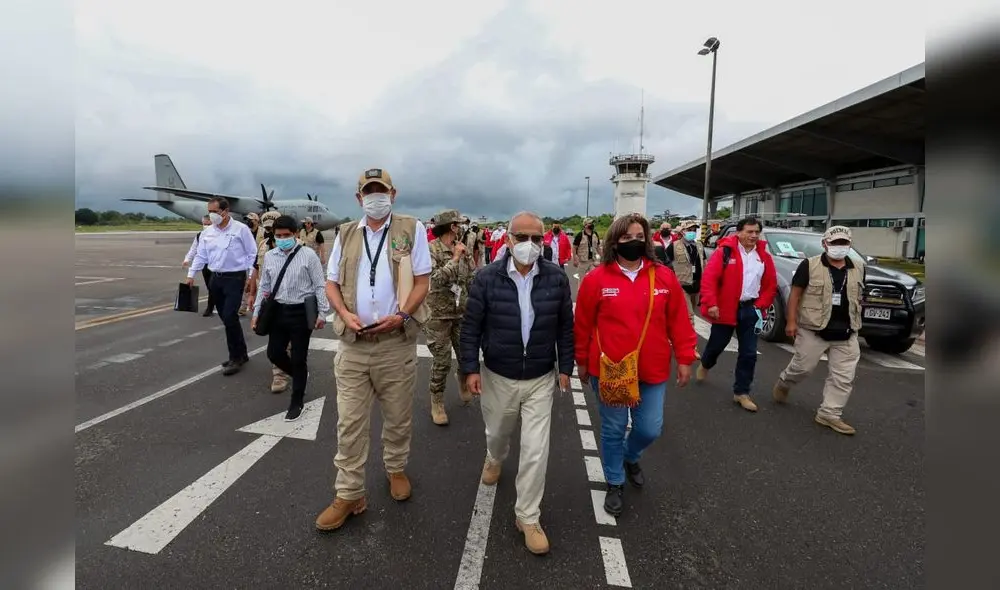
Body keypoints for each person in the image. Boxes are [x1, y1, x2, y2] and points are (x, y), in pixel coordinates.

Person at [316, 167, 431, 531]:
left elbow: (423, 281)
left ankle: (395, 467)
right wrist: (345, 313)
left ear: (393, 195)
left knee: (398, 417)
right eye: (369, 192)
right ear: (358, 198)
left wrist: (402, 315)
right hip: (353, 344)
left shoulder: (412, 229)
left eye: (381, 191)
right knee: (349, 422)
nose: (375, 197)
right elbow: (331, 282)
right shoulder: (347, 233)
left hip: (395, 343)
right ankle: (349, 493)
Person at [460, 211, 574, 556]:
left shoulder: (556, 278)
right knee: (497, 432)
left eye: (536, 239)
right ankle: (494, 457)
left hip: (540, 375)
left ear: (544, 241)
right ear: (508, 239)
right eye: (521, 238)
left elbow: (565, 327)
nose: (529, 245)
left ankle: (528, 516)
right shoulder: (487, 277)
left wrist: (565, 366)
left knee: (536, 450)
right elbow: (471, 326)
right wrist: (470, 368)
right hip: (498, 374)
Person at [573, 213, 697, 517]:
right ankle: (614, 481)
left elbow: (679, 322)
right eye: (627, 237)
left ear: (648, 240)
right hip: (612, 371)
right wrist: (581, 362)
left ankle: (631, 456)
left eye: (639, 237)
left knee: (650, 428)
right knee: (613, 429)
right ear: (614, 242)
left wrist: (685, 358)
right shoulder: (596, 279)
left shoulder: (663, 277)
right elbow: (583, 325)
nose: (634, 242)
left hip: (651, 371)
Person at [773, 226, 865, 435]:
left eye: (843, 243)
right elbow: (795, 294)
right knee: (802, 367)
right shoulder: (809, 265)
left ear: (849, 244)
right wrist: (791, 322)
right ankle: (785, 382)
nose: (839, 247)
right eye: (834, 243)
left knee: (843, 377)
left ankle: (829, 413)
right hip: (813, 329)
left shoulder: (859, 267)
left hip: (847, 333)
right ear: (825, 244)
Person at [251, 215, 330, 421]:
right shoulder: (270, 256)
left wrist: (322, 313)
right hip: (277, 310)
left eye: (287, 235)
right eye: (278, 236)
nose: (282, 239)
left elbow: (319, 284)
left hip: (301, 312)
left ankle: (297, 400)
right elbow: (264, 287)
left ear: (296, 234)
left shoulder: (308, 255)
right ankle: (299, 376)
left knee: (298, 357)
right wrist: (257, 311)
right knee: (274, 353)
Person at [697, 216, 778, 412]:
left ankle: (741, 392)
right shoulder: (724, 252)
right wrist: (711, 303)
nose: (754, 235)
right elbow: (709, 279)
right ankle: (706, 363)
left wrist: (760, 306)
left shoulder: (763, 257)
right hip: (724, 309)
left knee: (749, 354)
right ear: (739, 232)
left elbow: (770, 285)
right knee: (716, 345)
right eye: (749, 232)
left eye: (757, 232)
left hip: (750, 310)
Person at [185, 197, 258, 375]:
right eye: (209, 212)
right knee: (227, 319)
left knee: (229, 315)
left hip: (235, 278)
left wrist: (250, 277)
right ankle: (241, 352)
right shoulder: (207, 232)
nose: (212, 215)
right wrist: (191, 275)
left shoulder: (241, 230)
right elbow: (201, 255)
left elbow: (252, 253)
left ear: (226, 211)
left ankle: (235, 357)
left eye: (215, 212)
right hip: (215, 279)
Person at [426, 209, 475, 425]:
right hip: (438, 314)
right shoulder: (431, 250)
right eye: (458, 224)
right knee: (442, 360)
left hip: (460, 311)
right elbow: (435, 280)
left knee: (466, 354)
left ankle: (462, 380)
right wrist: (455, 258)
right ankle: (437, 400)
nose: (461, 228)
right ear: (452, 226)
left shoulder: (463, 248)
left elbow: (470, 277)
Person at [663, 221, 706, 328]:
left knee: (692, 313)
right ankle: (691, 342)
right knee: (689, 316)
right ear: (682, 232)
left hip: (697, 286)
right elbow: (664, 265)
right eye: (689, 230)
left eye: (694, 230)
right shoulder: (673, 246)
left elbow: (704, 263)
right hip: (682, 286)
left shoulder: (699, 246)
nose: (692, 232)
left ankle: (678, 332)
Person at [183, 215, 216, 317]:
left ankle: (210, 308)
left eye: (208, 224)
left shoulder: (219, 235)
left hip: (217, 265)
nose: (206, 226)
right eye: (204, 224)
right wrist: (187, 259)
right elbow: (194, 250)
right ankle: (212, 305)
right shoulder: (199, 236)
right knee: (210, 288)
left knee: (214, 287)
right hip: (205, 266)